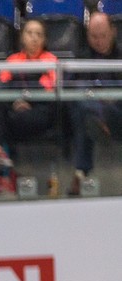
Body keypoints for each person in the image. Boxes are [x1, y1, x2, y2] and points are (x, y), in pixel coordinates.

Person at [0, 18, 59, 173]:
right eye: (29, 33)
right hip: (15, 109)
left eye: (39, 34)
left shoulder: (51, 61)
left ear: (44, 39)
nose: (34, 38)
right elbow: (2, 89)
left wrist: (25, 100)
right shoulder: (12, 60)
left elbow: (49, 93)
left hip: (39, 113)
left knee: (4, 119)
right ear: (22, 37)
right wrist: (16, 101)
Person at [67, 12, 122, 195]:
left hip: (117, 113)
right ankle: (100, 120)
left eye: (103, 36)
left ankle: (81, 173)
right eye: (94, 36)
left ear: (113, 32)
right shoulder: (81, 57)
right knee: (82, 106)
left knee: (88, 112)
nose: (99, 41)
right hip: (90, 111)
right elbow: (71, 88)